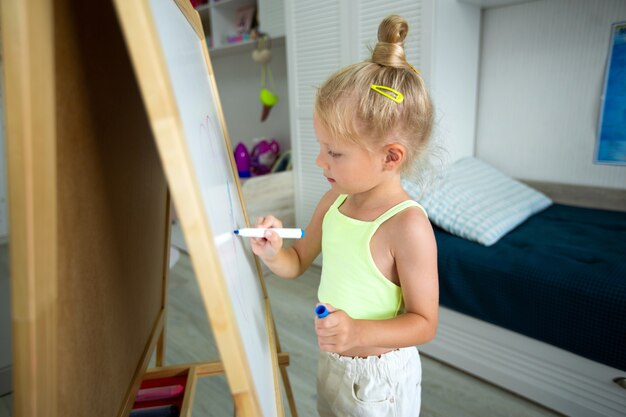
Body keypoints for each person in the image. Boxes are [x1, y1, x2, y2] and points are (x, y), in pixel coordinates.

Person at [250, 14, 438, 417]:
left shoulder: (408, 226)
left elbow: (424, 322)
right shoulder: (334, 200)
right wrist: (272, 252)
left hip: (380, 377)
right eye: (322, 146)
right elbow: (297, 261)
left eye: (334, 152)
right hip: (334, 362)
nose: (320, 160)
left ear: (391, 157)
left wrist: (357, 331)